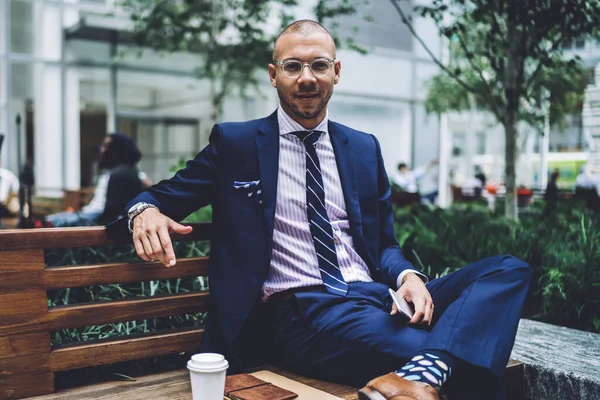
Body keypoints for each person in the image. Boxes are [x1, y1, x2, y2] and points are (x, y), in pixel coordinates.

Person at [125, 20, 532, 400]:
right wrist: (142, 211)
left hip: (376, 298)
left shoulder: (362, 147)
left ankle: (424, 372)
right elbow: (162, 195)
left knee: (508, 269)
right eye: (293, 66)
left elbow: (384, 244)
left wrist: (408, 276)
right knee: (453, 351)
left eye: (319, 65)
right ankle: (429, 368)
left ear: (336, 71)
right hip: (301, 312)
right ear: (273, 75)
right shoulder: (237, 145)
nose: (306, 77)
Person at [47, 133, 146, 227]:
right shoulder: (111, 172)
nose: (102, 150)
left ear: (117, 149)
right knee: (50, 219)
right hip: (89, 212)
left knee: (52, 222)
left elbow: (110, 213)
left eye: (107, 146)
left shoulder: (122, 173)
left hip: (97, 217)